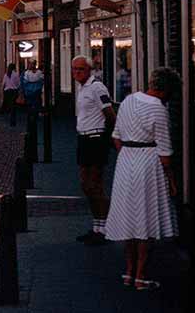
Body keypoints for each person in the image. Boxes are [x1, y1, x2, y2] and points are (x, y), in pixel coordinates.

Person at [105, 67, 179, 290]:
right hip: (148, 165)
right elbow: (165, 152)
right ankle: (141, 275)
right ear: (167, 90)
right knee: (147, 219)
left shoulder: (128, 100)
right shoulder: (159, 109)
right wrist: (172, 181)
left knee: (129, 218)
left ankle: (128, 272)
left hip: (125, 162)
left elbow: (116, 136)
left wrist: (129, 155)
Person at [71, 55, 116, 246]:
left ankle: (104, 229)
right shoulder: (82, 88)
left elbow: (110, 114)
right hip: (83, 139)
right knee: (85, 184)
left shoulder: (97, 87)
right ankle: (96, 226)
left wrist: (108, 138)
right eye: (74, 69)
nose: (77, 73)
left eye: (80, 69)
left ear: (89, 70)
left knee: (95, 185)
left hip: (95, 139)